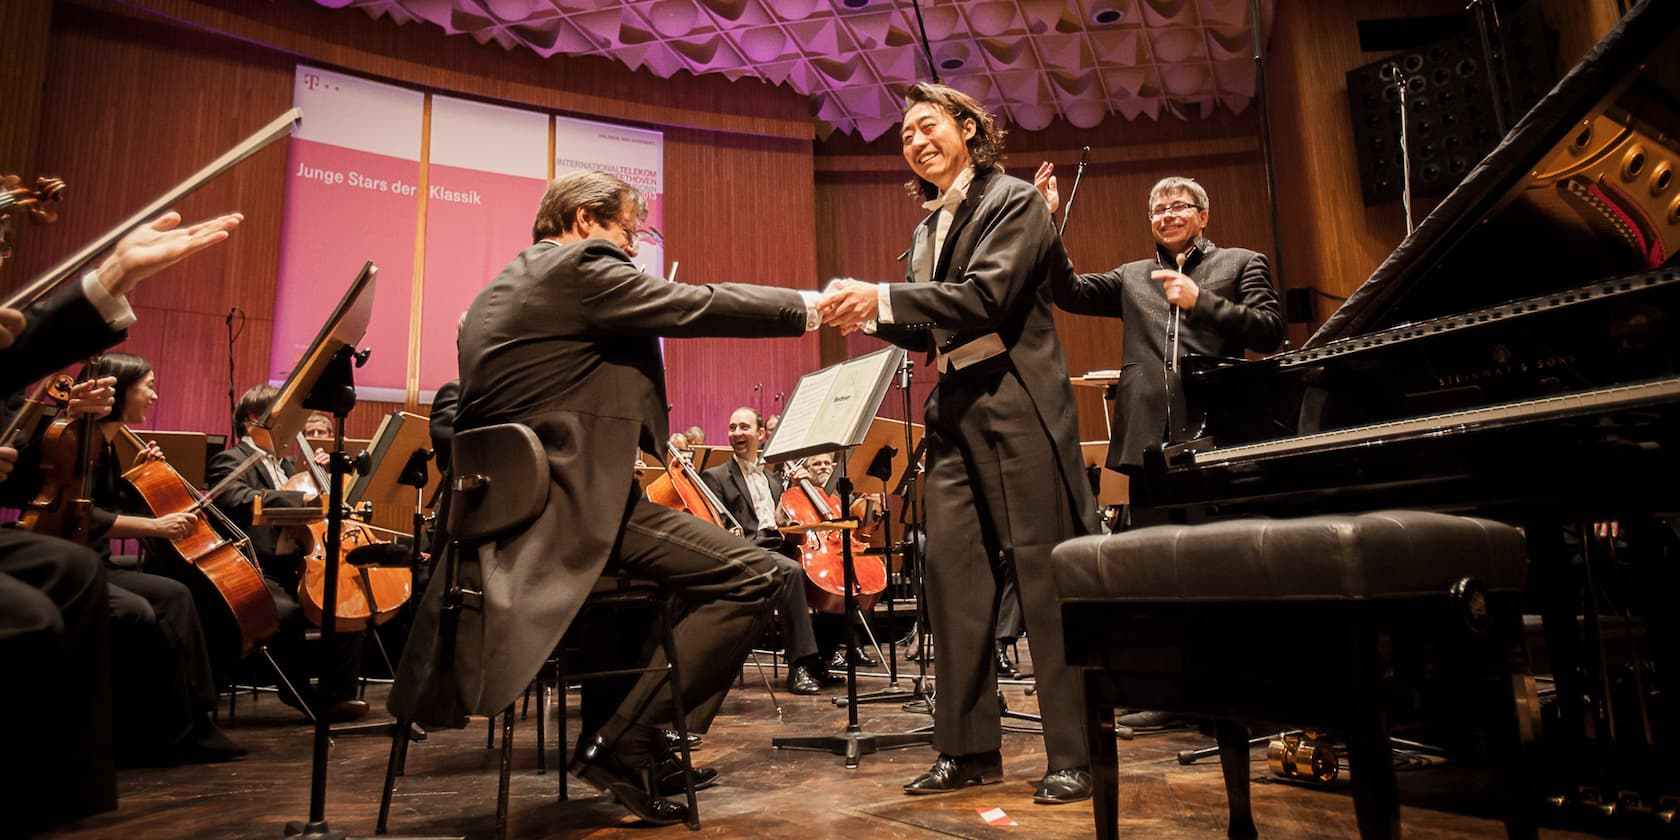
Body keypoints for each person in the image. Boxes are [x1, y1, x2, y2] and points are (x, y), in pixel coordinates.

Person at [390, 168, 819, 826]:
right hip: (565, 513)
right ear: (586, 221)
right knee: (761, 574)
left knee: (675, 582)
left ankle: (639, 741)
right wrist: (810, 307)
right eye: (630, 232)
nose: (634, 249)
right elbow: (691, 305)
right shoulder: (579, 266)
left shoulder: (499, 289)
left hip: (510, 519)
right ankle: (622, 744)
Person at [818, 82, 1100, 805]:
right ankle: (968, 749)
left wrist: (879, 294)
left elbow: (985, 300)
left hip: (1016, 399)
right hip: (952, 408)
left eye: (928, 125)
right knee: (953, 581)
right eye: (905, 133)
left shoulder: (1015, 200)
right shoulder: (923, 232)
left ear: (970, 129)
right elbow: (924, 330)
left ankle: (1076, 751)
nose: (915, 140)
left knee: (1044, 576)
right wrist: (868, 316)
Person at [1034, 170, 1284, 504]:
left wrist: (1201, 301)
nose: (1167, 216)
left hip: (1218, 430)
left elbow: (1269, 332)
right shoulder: (1133, 276)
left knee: (1222, 540)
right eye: (1158, 210)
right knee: (1152, 548)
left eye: (1178, 206)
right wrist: (1047, 218)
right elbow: (1069, 293)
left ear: (1203, 216)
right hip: (1145, 440)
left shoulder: (1242, 262)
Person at [207, 385, 369, 722]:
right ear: (255, 419)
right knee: (286, 610)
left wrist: (321, 478)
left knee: (348, 595)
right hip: (257, 565)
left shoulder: (288, 465)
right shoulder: (231, 460)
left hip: (295, 563)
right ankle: (299, 693)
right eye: (286, 417)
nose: (294, 425)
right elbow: (235, 498)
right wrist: (301, 501)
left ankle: (337, 694)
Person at [700, 406, 844, 695]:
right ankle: (800, 666)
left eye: (744, 427)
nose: (736, 433)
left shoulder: (775, 479)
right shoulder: (715, 476)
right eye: (732, 427)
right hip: (747, 551)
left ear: (761, 434)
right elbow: (716, 528)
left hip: (781, 546)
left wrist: (796, 492)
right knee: (791, 572)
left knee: (837, 572)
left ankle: (821, 660)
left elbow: (786, 521)